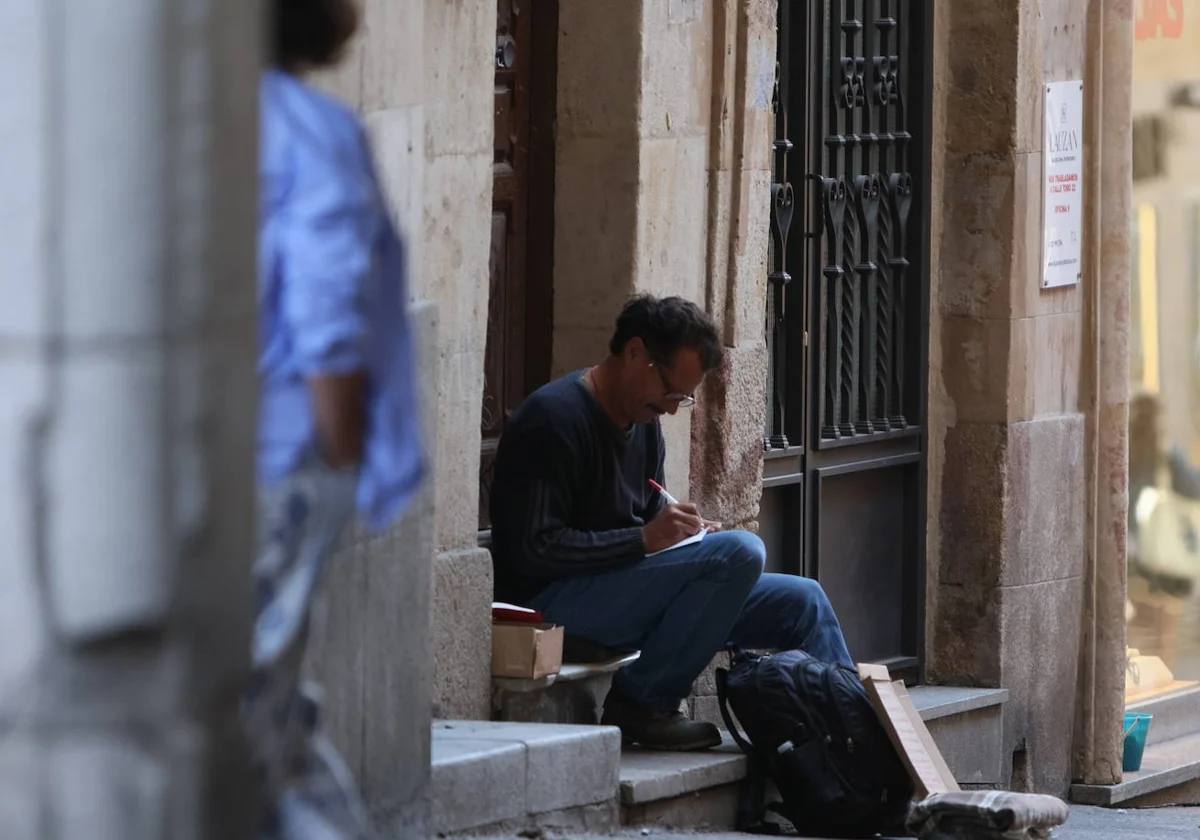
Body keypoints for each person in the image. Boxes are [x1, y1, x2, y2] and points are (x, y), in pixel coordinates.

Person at [490, 295, 852, 750]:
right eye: (669, 391)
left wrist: (683, 534)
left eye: (683, 397)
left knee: (804, 600)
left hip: (623, 585)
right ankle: (643, 703)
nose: (673, 409)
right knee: (742, 552)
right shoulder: (553, 419)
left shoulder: (644, 421)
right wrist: (644, 540)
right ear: (634, 353)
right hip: (550, 604)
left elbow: (648, 510)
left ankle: (853, 738)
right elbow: (534, 549)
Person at [246, 1, 425, 837]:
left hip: (248, 447)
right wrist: (344, 437)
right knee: (257, 711)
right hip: (287, 453)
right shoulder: (311, 132)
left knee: (268, 705)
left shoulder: (206, 120)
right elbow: (326, 292)